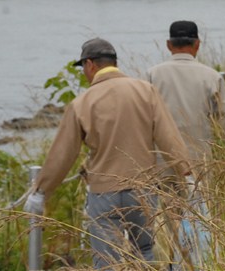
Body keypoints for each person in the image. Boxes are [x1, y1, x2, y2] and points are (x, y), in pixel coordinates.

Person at [24, 38, 192, 269]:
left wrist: (41, 191)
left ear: (90, 64)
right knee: (143, 251)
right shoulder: (146, 91)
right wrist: (187, 172)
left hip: (104, 193)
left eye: (83, 67)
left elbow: (63, 155)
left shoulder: (82, 102)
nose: (84, 73)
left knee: (106, 261)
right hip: (142, 189)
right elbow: (168, 137)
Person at [147, 20, 225, 165]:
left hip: (161, 161)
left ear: (168, 45)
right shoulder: (212, 77)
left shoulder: (151, 75)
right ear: (197, 44)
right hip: (199, 159)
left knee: (163, 188)